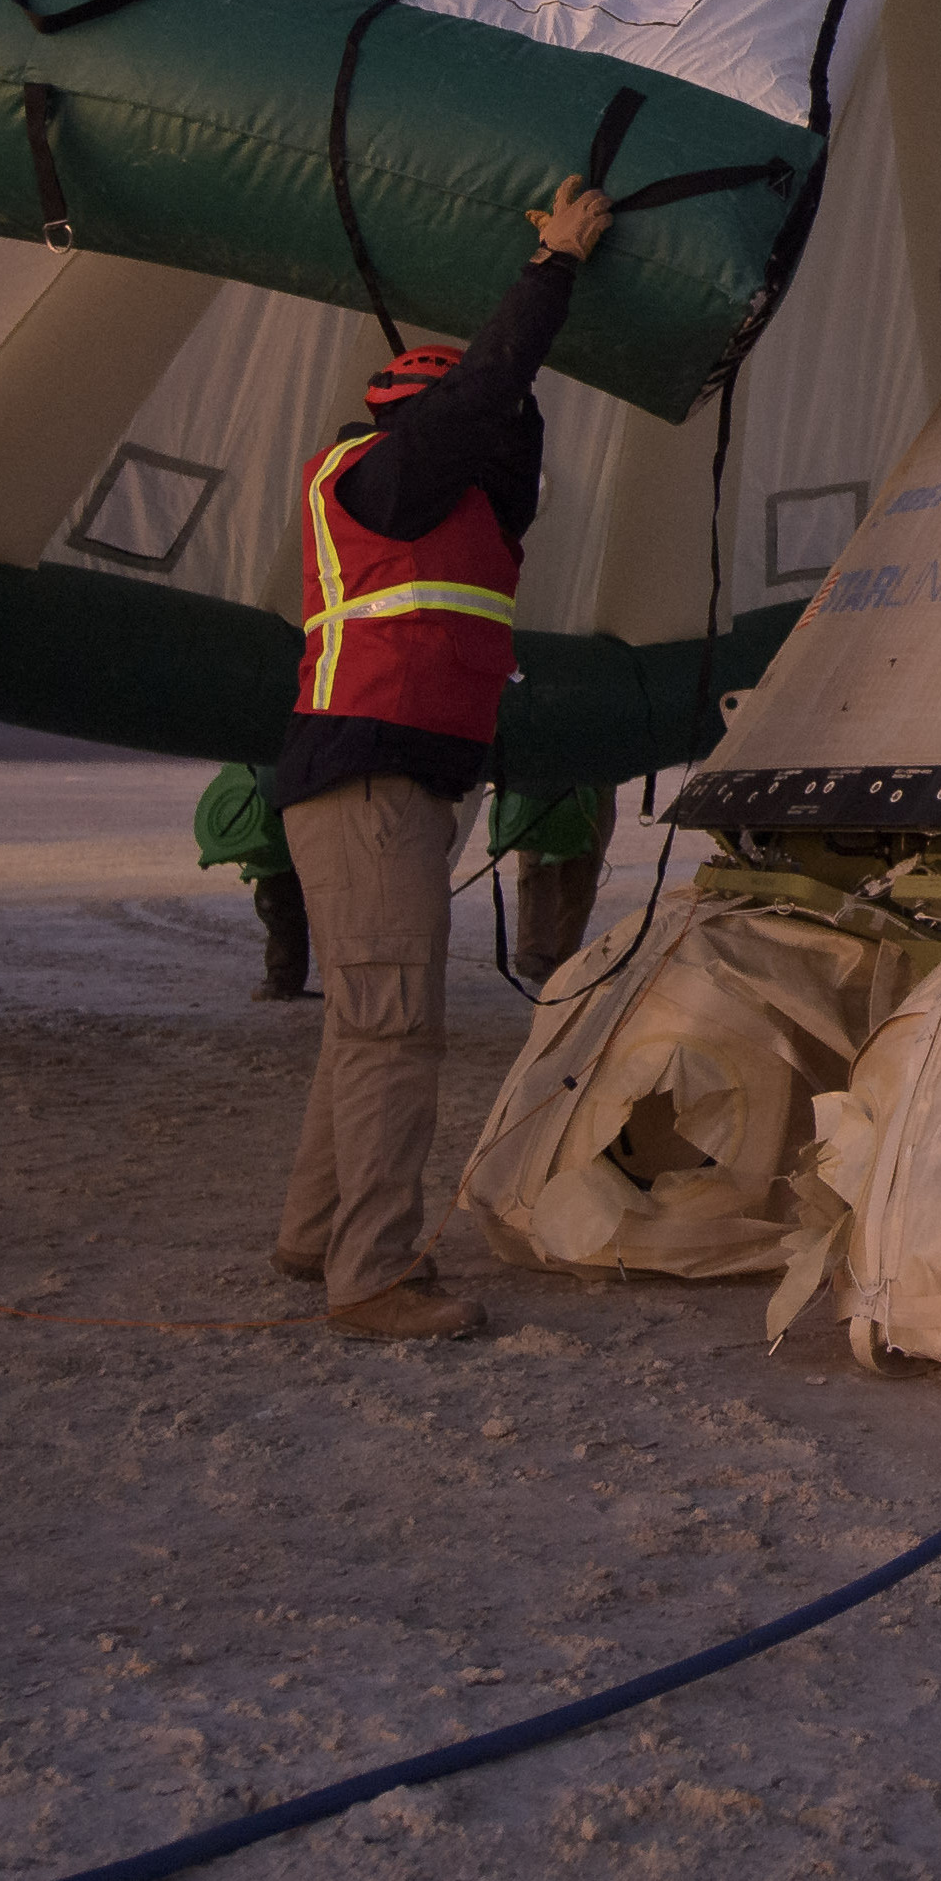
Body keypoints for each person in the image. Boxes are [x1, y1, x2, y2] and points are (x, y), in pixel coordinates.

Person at [268, 173, 612, 1341]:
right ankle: (370, 1275)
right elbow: (480, 406)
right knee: (392, 1024)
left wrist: (549, 320)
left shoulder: (469, 506)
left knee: (365, 1018)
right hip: (366, 776)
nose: (495, 436)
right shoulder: (375, 475)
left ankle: (318, 1235)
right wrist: (551, 268)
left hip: (403, 778)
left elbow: (506, 431)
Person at [193, 761, 317, 1001]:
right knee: (276, 902)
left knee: (281, 902)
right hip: (279, 820)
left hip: (292, 814)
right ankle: (284, 980)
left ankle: (292, 980)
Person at [490, 780, 617, 974]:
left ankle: (562, 959)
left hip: (598, 777)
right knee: (539, 862)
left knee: (583, 871)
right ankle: (535, 953)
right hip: (543, 772)